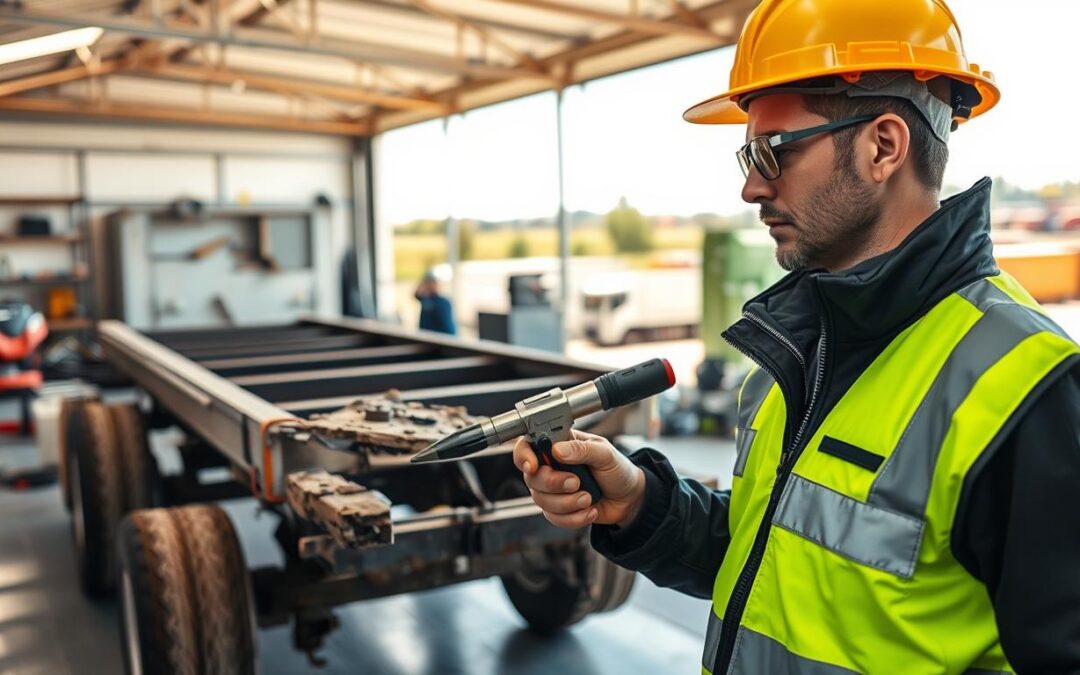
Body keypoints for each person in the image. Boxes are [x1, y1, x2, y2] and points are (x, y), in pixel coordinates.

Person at [513, 1, 1080, 672]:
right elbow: (771, 554)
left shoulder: (1023, 386)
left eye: (772, 151)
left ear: (883, 146)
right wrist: (640, 501)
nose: (752, 186)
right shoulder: (800, 350)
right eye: (746, 155)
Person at [414, 271, 456, 335]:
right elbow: (416, 294)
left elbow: (447, 326)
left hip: (439, 338)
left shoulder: (443, 302)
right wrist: (423, 282)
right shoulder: (426, 299)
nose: (430, 286)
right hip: (426, 337)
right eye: (428, 284)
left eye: (432, 283)